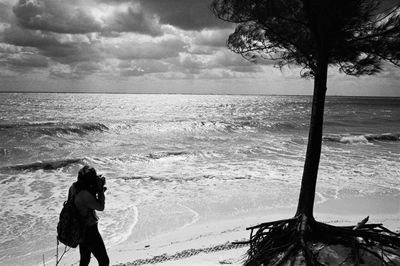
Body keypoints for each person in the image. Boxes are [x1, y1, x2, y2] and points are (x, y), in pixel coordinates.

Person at [68, 165, 109, 266]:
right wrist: (100, 191)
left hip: (80, 228)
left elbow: (82, 205)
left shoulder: (74, 187)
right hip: (90, 231)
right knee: (104, 261)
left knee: (85, 260)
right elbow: (100, 207)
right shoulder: (85, 195)